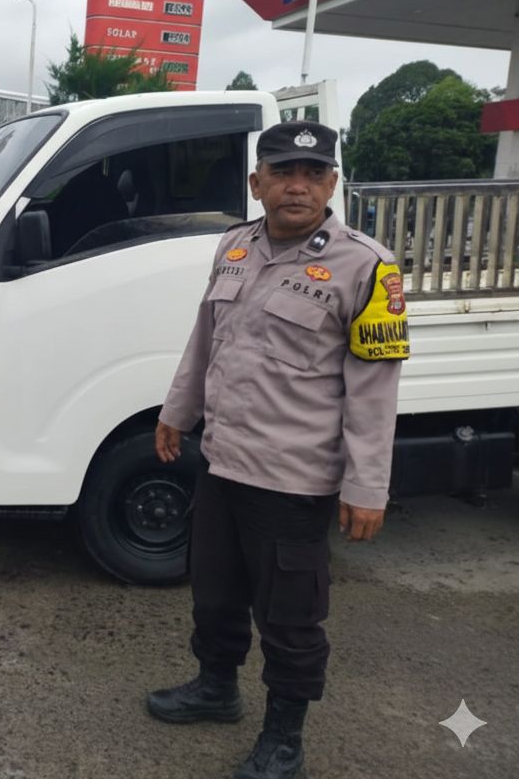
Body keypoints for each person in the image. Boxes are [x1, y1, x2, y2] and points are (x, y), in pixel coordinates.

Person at [147, 120, 409, 779]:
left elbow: (374, 389)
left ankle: (284, 738)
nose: (298, 186)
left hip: (294, 480)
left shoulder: (367, 266)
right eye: (283, 173)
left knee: (291, 618)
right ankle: (216, 689)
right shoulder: (234, 247)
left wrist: (367, 487)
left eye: (313, 174)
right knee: (214, 593)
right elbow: (205, 339)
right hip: (223, 462)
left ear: (332, 184)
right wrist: (177, 413)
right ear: (255, 183)